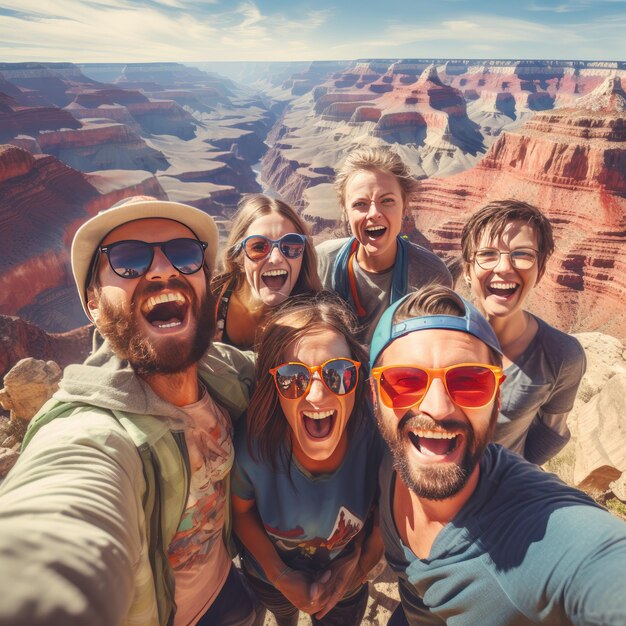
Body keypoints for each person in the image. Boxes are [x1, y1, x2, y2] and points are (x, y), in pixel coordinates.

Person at [0, 196, 259, 626]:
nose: (162, 269)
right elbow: (64, 511)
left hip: (227, 593)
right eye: (127, 260)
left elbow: (290, 374)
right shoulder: (92, 433)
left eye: (183, 253)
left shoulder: (221, 371)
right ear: (94, 305)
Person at [369, 284, 626, 626]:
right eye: (404, 380)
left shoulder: (539, 532)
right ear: (375, 396)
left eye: (469, 381)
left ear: (498, 398)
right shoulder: (392, 459)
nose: (436, 407)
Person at [231, 292, 384, 626]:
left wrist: (355, 567)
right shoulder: (253, 445)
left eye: (338, 372)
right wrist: (281, 575)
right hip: (268, 576)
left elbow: (386, 518)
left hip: (344, 585)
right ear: (274, 386)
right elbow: (241, 512)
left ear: (357, 380)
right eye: (293, 377)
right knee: (283, 616)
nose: (316, 395)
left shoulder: (377, 437)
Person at [461, 199, 586, 464]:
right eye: (487, 254)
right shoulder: (434, 340)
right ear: (467, 271)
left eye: (523, 255)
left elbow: (553, 432)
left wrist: (511, 477)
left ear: (540, 272)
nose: (504, 268)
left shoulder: (562, 355)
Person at [316, 146, 452, 343]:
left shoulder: (431, 275)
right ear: (345, 212)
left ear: (405, 207)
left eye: (387, 200)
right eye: (360, 204)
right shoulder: (321, 262)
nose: (373, 213)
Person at [212, 194, 322, 350]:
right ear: (240, 254)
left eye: (290, 245)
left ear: (304, 254)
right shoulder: (211, 299)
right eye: (258, 247)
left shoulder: (315, 321)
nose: (276, 258)